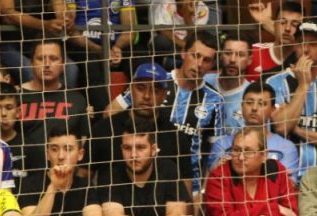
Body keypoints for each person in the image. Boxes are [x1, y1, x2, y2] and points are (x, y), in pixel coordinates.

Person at [105, 30, 223, 194]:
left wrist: (203, 191)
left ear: (212, 65)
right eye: (195, 56)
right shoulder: (155, 81)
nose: (199, 64)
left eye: (207, 60)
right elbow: (110, 112)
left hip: (188, 186)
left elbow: (215, 151)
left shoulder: (214, 100)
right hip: (142, 181)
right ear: (183, 53)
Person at [88, 63, 194, 193]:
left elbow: (186, 194)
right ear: (130, 89)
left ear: (164, 95)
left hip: (163, 212)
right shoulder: (104, 129)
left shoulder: (176, 137)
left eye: (155, 90)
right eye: (141, 88)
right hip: (109, 209)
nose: (147, 96)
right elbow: (83, 179)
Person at [269, 20, 317, 176]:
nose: (305, 50)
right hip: (284, 177)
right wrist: (303, 86)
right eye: (301, 43)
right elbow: (281, 128)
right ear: (294, 46)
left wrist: (297, 129)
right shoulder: (274, 83)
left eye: (313, 44)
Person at [208, 81, 300, 181]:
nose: (254, 108)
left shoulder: (286, 147)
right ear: (242, 106)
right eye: (249, 103)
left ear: (273, 110)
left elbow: (288, 186)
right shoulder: (222, 145)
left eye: (262, 104)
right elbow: (213, 181)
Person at [0, 82, 45, 202]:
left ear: (18, 112)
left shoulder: (30, 147)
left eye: (9, 107)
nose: (4, 114)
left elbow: (39, 187)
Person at [18, 41, 88, 127]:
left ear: (63, 64)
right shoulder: (15, 96)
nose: (47, 64)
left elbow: (83, 138)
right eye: (40, 59)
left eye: (53, 58)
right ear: (31, 63)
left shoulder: (76, 99)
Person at [204, 30, 251, 135]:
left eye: (241, 55)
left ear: (249, 60)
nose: (233, 59)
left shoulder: (252, 95)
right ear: (220, 55)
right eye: (228, 53)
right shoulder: (203, 82)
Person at [245, 0, 302, 81]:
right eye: (282, 22)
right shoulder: (253, 52)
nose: (287, 28)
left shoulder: (306, 59)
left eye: (295, 24)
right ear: (274, 24)